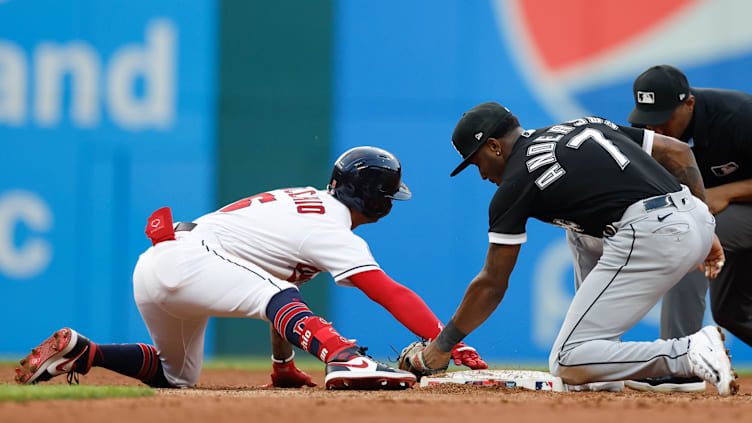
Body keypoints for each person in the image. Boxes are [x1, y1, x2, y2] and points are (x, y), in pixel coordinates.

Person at [15, 146, 486, 390]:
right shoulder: (331, 228)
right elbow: (387, 291)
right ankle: (343, 357)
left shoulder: (309, 205)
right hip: (189, 260)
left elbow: (274, 281)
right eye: (389, 195)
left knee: (177, 376)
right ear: (376, 199)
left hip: (158, 264)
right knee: (279, 299)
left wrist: (282, 365)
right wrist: (449, 341)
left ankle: (85, 353)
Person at [402, 102, 738, 396]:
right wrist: (704, 228)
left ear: (494, 146)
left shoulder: (516, 182)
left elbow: (492, 284)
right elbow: (678, 151)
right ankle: (603, 372)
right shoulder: (581, 124)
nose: (481, 175)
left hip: (653, 231)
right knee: (577, 231)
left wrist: (442, 346)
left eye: (476, 163)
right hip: (691, 214)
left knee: (566, 358)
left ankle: (688, 352)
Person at [570, 64, 752, 393]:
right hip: (721, 218)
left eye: (665, 116)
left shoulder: (739, 116)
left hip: (740, 210)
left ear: (690, 104)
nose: (655, 125)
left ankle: (682, 366)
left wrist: (729, 191)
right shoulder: (651, 133)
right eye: (647, 117)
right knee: (731, 312)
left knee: (686, 241)